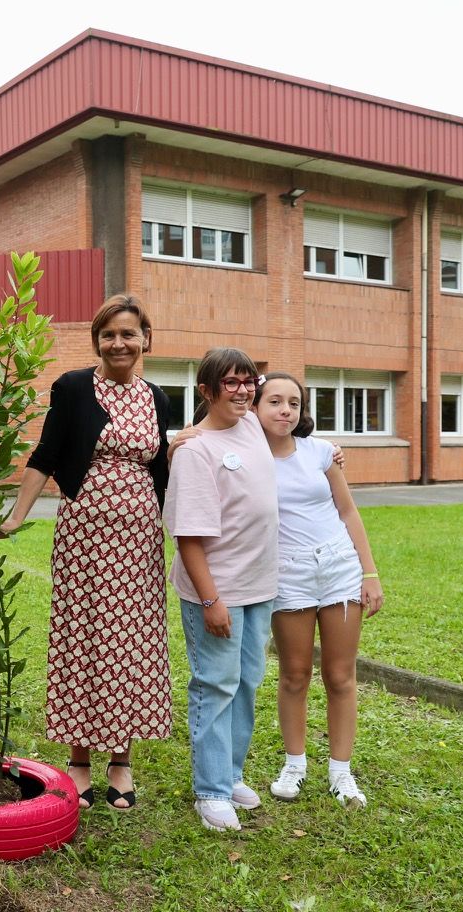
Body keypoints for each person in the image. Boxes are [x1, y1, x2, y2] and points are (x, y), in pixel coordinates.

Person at [0, 293, 171, 811]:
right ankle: (78, 759)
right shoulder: (74, 387)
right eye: (109, 334)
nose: (119, 342)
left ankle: (121, 760)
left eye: (128, 333)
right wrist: (15, 516)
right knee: (85, 635)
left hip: (140, 538)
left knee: (130, 642)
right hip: (84, 536)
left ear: (145, 340)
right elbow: (46, 453)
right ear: (97, 340)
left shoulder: (158, 397)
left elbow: (171, 464)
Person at [251, 372, 383, 808]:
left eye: (293, 402)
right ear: (254, 406)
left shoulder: (322, 452)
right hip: (287, 575)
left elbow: (348, 510)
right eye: (274, 401)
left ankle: (341, 774)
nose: (285, 410)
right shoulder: (244, 455)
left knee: (341, 676)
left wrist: (369, 573)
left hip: (339, 569)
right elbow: (196, 432)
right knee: (294, 674)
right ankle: (295, 763)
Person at [165, 347, 278, 832]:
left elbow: (293, 431)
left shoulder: (251, 425)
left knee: (247, 683)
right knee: (216, 684)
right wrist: (211, 601)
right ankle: (210, 791)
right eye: (229, 382)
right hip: (218, 591)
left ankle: (230, 775)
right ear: (206, 390)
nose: (241, 389)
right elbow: (188, 535)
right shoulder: (195, 452)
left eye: (247, 381)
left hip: (260, 587)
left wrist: (331, 450)